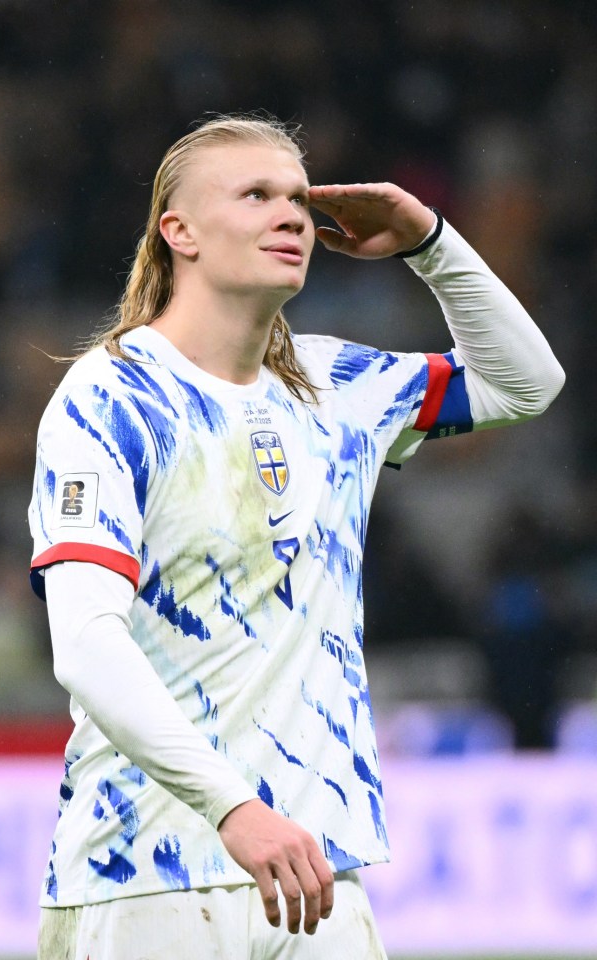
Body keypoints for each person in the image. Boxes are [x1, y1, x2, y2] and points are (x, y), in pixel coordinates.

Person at [28, 113, 565, 960]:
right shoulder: (110, 397)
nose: (291, 216)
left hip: (318, 879)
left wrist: (428, 240)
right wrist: (234, 809)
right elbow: (86, 645)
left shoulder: (336, 383)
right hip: (146, 877)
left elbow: (526, 382)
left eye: (297, 199)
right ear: (181, 232)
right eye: (256, 195)